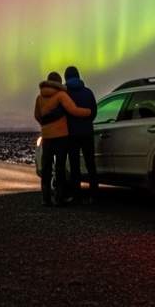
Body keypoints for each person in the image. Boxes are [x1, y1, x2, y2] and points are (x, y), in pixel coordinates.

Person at [34, 71, 92, 206]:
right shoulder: (61, 95)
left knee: (47, 168)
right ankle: (59, 198)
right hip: (61, 136)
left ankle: (46, 198)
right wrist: (88, 112)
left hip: (47, 136)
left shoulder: (39, 97)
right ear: (59, 82)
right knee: (59, 167)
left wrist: (45, 126)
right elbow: (74, 110)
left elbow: (37, 115)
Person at [63, 66, 98, 204]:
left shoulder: (65, 94)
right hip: (87, 132)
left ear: (66, 77)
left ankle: (76, 196)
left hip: (72, 133)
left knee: (74, 165)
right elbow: (94, 112)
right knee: (90, 164)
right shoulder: (88, 92)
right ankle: (94, 195)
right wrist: (86, 121)